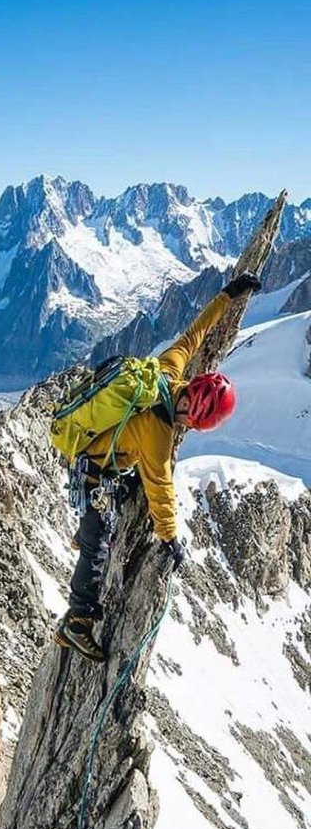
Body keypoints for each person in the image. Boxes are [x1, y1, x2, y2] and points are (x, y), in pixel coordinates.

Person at [53, 272, 261, 662]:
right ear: (194, 415)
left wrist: (227, 296)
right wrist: (170, 539)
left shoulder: (167, 370)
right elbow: (160, 487)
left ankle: (88, 529)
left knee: (119, 497)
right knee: (96, 549)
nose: (187, 426)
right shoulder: (158, 435)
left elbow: (192, 335)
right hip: (93, 469)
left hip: (101, 455)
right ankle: (76, 621)